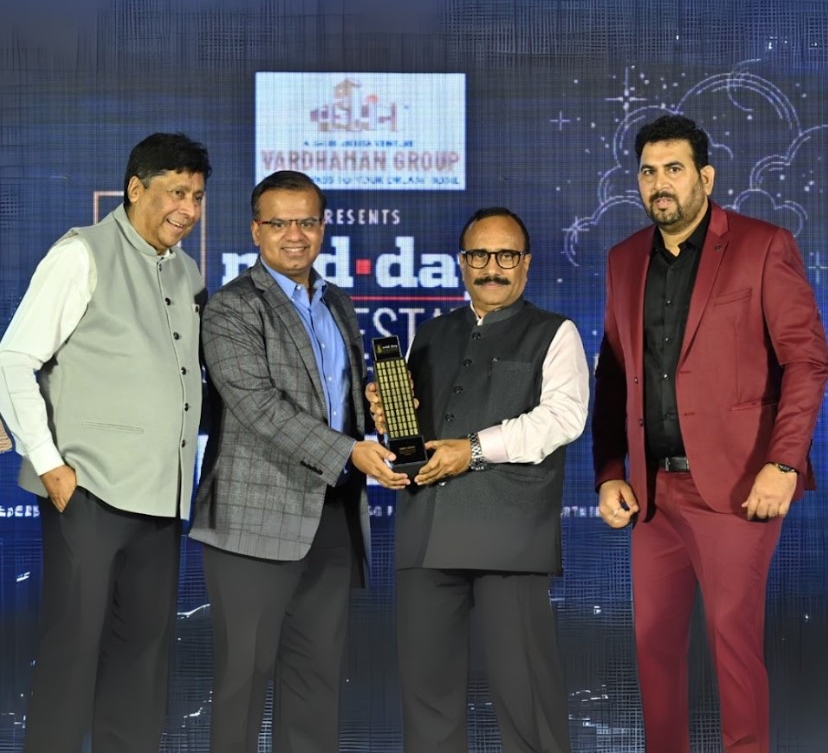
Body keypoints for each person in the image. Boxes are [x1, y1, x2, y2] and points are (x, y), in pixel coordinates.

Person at [592, 114, 828, 753]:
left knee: (732, 641)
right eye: (648, 171)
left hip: (737, 484)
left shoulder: (762, 245)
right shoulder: (623, 260)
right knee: (653, 646)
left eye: (674, 169)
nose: (660, 183)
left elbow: (807, 360)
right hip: (653, 494)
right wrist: (610, 471)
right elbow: (613, 375)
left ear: (706, 177)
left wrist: (783, 463)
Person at [0, 132, 212, 752]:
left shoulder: (187, 272)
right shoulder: (81, 254)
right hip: (86, 492)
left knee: (143, 662)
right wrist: (50, 466)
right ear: (135, 189)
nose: (189, 209)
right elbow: (14, 359)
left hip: (161, 498)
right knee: (72, 656)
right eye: (177, 192)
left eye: (198, 196)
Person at [189, 169, 406, 753]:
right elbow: (258, 407)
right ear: (256, 230)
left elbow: (337, 402)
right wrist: (350, 451)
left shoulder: (338, 302)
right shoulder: (232, 307)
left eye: (307, 222)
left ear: (323, 227)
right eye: (279, 223)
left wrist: (373, 410)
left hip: (332, 515)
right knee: (242, 685)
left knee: (315, 686)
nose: (295, 235)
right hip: (252, 522)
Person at [369, 207, 589, 753]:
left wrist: (471, 450)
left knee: (527, 698)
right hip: (426, 535)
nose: (493, 268)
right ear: (462, 263)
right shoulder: (429, 335)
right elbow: (416, 435)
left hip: (510, 537)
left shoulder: (555, 333)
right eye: (480, 255)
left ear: (526, 263)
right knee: (427, 703)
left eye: (506, 256)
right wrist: (389, 419)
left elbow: (563, 419)